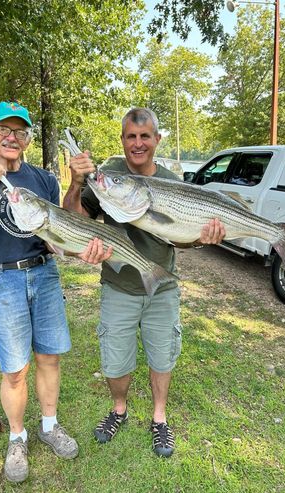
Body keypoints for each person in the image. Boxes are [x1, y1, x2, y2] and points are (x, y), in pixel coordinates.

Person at [0, 101, 111, 483]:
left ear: (26, 139)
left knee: (50, 358)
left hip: (43, 275)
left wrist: (82, 244)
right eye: (4, 130)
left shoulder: (41, 179)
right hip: (0, 280)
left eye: (20, 131)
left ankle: (50, 425)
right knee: (14, 371)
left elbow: (58, 234)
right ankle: (17, 437)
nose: (11, 137)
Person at [63, 107, 226, 457]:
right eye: (131, 137)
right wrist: (76, 183)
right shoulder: (107, 176)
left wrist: (202, 237)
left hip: (163, 285)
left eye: (144, 136)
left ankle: (159, 418)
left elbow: (181, 238)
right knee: (115, 358)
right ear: (122, 140)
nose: (138, 144)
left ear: (156, 139)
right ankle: (119, 409)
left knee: (162, 355)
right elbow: (76, 219)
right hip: (119, 284)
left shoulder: (172, 181)